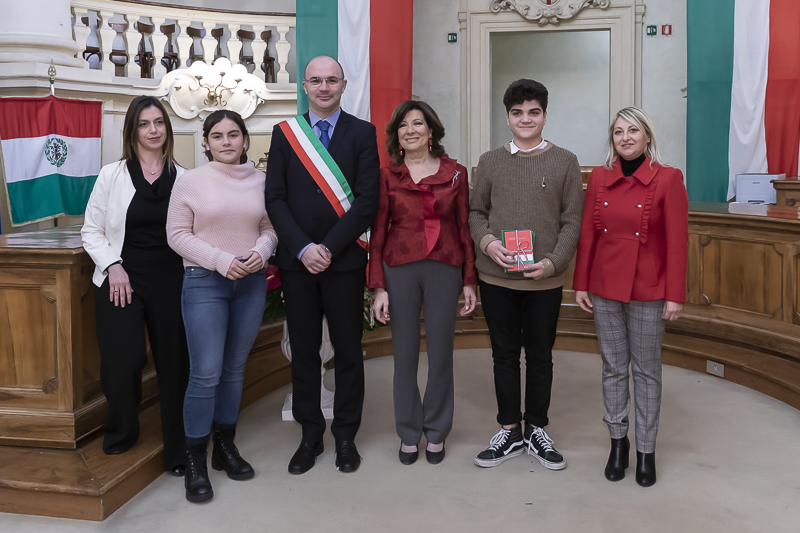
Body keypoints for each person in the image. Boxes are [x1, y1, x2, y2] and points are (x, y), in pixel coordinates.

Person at [265, 56, 380, 475]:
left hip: (344, 261)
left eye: (332, 80)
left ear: (344, 85)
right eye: (316, 80)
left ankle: (346, 435)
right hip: (298, 265)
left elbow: (367, 201)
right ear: (304, 87)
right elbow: (274, 198)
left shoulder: (362, 133)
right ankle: (310, 435)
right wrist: (301, 248)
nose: (324, 87)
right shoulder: (284, 135)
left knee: (349, 351)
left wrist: (327, 247)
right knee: (305, 352)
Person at [469, 79, 583, 471]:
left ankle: (536, 428)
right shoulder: (489, 161)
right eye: (517, 113)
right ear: (507, 117)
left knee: (540, 357)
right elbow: (475, 213)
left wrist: (552, 263)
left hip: (544, 280)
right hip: (496, 278)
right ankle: (509, 430)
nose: (525, 119)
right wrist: (487, 244)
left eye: (533, 112)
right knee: (503, 356)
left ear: (545, 115)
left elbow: (572, 222)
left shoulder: (566, 161)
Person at [573, 107, 688, 487]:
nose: (625, 137)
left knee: (646, 371)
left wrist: (675, 294)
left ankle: (646, 452)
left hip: (648, 288)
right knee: (612, 368)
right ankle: (618, 444)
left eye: (633, 130)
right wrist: (581, 283)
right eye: (618, 131)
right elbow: (588, 236)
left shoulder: (669, 179)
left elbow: (677, 242)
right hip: (605, 286)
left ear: (647, 136)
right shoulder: (600, 179)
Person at [167, 109, 277, 502]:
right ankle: (196, 458)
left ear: (245, 140)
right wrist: (220, 260)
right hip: (204, 283)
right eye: (218, 136)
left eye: (233, 135)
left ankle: (225, 445)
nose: (226, 142)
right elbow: (176, 235)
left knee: (233, 369)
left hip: (250, 282)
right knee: (206, 373)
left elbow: (270, 226)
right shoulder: (190, 181)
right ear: (207, 142)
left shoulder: (262, 181)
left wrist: (260, 252)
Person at [81, 95, 189, 476]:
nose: (153, 130)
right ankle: (122, 429)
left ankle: (180, 450)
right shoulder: (112, 175)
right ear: (132, 131)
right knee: (123, 360)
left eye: (159, 122)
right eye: (144, 124)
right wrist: (112, 265)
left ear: (167, 128)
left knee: (176, 365)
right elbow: (90, 231)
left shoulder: (185, 177)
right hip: (120, 279)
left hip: (173, 280)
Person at [369, 100, 478, 466]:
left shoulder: (457, 173)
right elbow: (378, 231)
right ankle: (408, 431)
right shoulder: (386, 176)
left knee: (441, 353)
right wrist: (378, 286)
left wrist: (469, 281)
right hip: (398, 268)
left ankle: (437, 430)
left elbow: (464, 228)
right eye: (403, 125)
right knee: (403, 355)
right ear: (396, 134)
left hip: (444, 267)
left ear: (431, 131)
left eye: (418, 124)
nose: (411, 130)